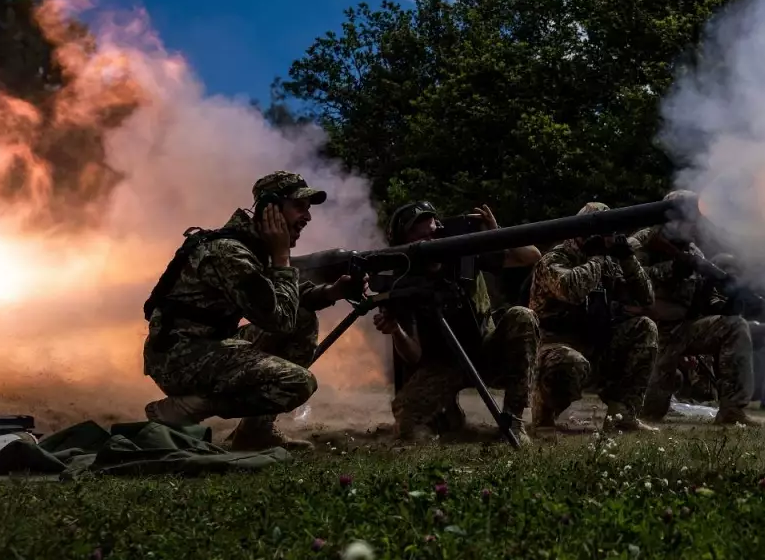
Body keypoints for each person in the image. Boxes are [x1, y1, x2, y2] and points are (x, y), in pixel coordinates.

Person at [141, 171, 360, 451]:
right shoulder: (230, 253)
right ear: (270, 208)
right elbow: (279, 320)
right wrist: (283, 257)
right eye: (299, 207)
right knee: (297, 383)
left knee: (303, 319)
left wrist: (333, 292)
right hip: (178, 356)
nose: (307, 217)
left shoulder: (253, 248)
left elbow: (287, 300)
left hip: (206, 345)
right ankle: (188, 407)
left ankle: (256, 433)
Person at [370, 200, 539, 443]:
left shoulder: (465, 255)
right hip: (444, 364)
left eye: (433, 229)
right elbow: (413, 354)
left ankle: (512, 422)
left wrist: (497, 231)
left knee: (522, 316)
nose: (431, 234)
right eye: (420, 233)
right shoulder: (402, 284)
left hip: (486, 350)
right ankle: (448, 414)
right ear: (403, 241)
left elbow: (530, 256)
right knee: (408, 424)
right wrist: (396, 330)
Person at [629, 190, 760, 427]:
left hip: (681, 329)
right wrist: (671, 269)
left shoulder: (691, 251)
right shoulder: (642, 242)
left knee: (735, 327)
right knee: (649, 412)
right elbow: (626, 279)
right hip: (645, 333)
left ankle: (732, 409)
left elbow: (704, 287)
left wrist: (729, 291)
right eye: (687, 217)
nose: (693, 225)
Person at [529, 202, 659, 432]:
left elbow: (646, 299)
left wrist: (627, 259)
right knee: (569, 362)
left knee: (644, 328)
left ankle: (623, 415)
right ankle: (544, 416)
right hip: (555, 345)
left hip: (595, 343)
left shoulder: (610, 260)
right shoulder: (556, 258)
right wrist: (597, 258)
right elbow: (571, 290)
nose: (608, 237)